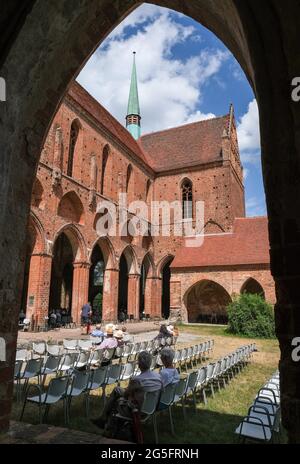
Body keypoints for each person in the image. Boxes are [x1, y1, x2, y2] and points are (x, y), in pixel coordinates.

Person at [92, 351, 162, 431]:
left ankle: (105, 420)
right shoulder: (158, 377)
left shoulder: (137, 380)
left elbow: (125, 395)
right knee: (118, 391)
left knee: (117, 394)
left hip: (136, 411)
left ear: (139, 364)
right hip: (151, 408)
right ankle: (107, 421)